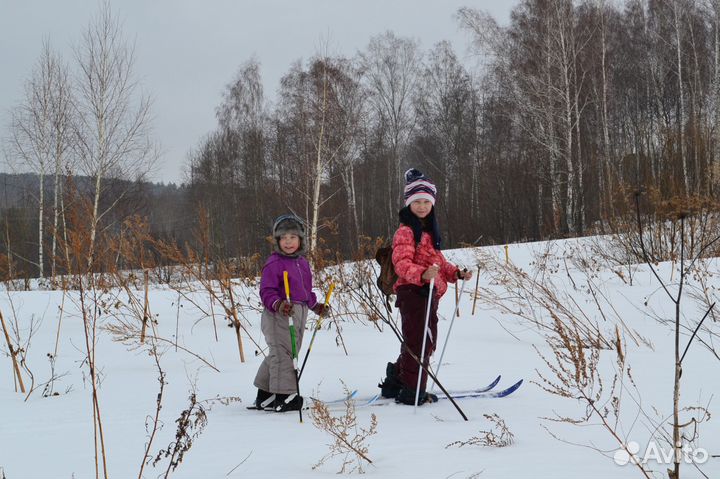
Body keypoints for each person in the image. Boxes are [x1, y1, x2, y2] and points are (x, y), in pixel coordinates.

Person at [379, 168, 472, 405]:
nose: (421, 206)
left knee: (424, 341)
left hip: (428, 294)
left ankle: (396, 381)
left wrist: (456, 273)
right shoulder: (406, 231)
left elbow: (439, 263)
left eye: (426, 202)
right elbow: (401, 264)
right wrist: (421, 275)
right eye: (417, 201)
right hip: (412, 292)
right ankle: (412, 390)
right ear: (409, 203)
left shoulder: (429, 231)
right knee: (419, 342)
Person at [253, 214, 328, 412]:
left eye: (293, 237)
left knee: (281, 352)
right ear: (277, 240)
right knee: (285, 354)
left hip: (298, 313)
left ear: (300, 240)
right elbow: (266, 291)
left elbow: (305, 292)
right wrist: (278, 304)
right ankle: (285, 396)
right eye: (284, 238)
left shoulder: (302, 263)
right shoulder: (274, 263)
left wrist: (315, 306)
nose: (288, 242)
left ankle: (265, 395)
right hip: (279, 314)